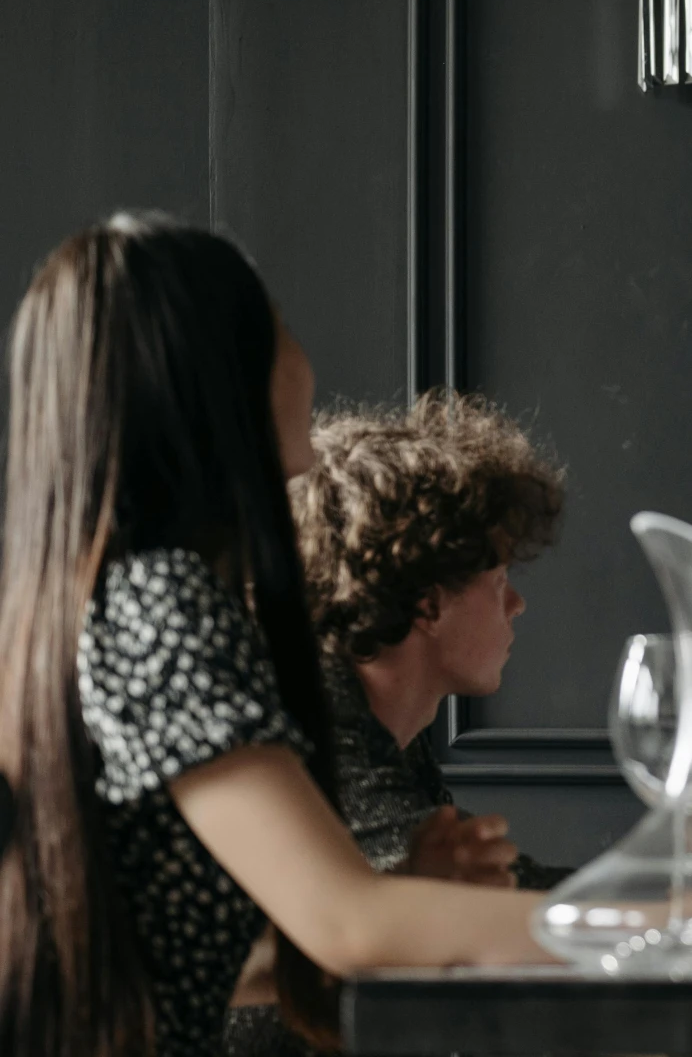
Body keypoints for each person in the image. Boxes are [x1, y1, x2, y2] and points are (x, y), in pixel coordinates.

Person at [0, 216, 548, 1057]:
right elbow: (346, 927)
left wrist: (408, 894)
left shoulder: (96, 596)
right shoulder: (161, 604)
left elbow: (164, 963)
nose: (305, 360)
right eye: (280, 331)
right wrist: (685, 930)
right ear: (216, 378)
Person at [225, 393, 569, 1054]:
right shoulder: (314, 718)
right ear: (430, 601)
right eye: (500, 580)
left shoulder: (374, 720)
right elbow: (485, 912)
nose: (519, 604)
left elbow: (483, 885)